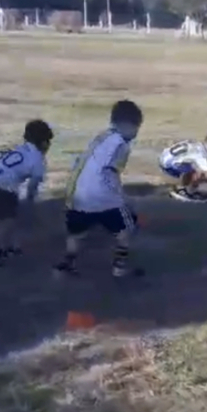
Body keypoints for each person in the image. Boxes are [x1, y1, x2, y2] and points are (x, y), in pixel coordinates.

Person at [55, 99, 144, 278]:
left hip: (78, 195)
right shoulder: (121, 145)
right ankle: (119, 267)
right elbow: (110, 173)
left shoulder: (101, 137)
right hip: (103, 198)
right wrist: (124, 198)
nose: (136, 133)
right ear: (128, 124)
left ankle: (68, 263)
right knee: (126, 230)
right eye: (136, 128)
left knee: (76, 233)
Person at [0, 120, 54, 270]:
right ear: (44, 143)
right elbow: (33, 185)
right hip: (1, 183)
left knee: (5, 215)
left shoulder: (18, 148)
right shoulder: (38, 160)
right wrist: (30, 201)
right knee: (7, 220)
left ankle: (4, 247)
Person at [159, 133, 207, 202]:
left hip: (165, 157)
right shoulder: (200, 155)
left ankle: (187, 187)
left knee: (194, 167)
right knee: (196, 173)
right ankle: (183, 191)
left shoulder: (197, 145)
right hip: (168, 165)